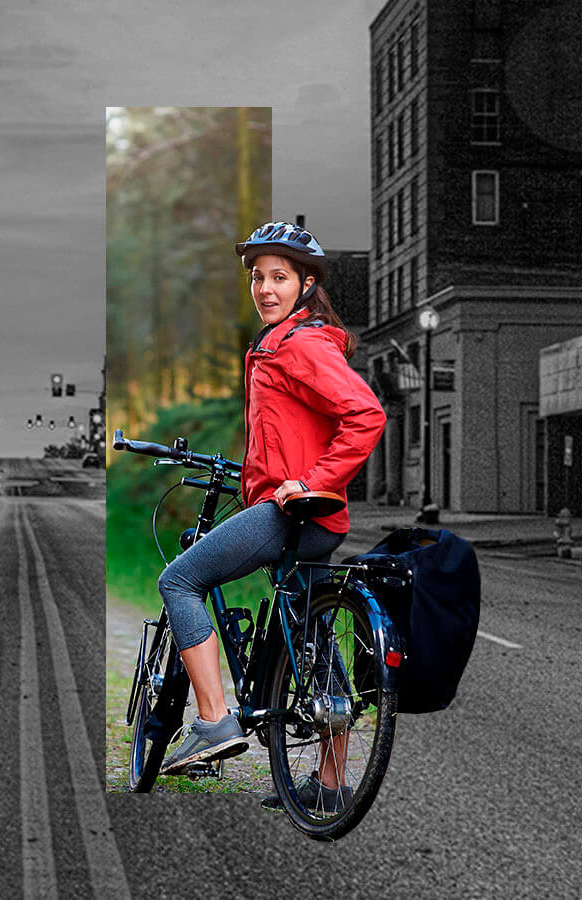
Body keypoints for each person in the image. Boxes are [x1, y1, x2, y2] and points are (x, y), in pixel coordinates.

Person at [155, 221, 387, 811]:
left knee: (179, 580)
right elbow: (293, 432)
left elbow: (366, 415)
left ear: (307, 284)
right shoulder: (287, 343)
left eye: (279, 277)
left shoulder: (298, 344)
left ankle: (214, 721)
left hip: (292, 513)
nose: (264, 288)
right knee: (309, 635)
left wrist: (308, 481)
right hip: (319, 518)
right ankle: (331, 783)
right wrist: (269, 472)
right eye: (258, 277)